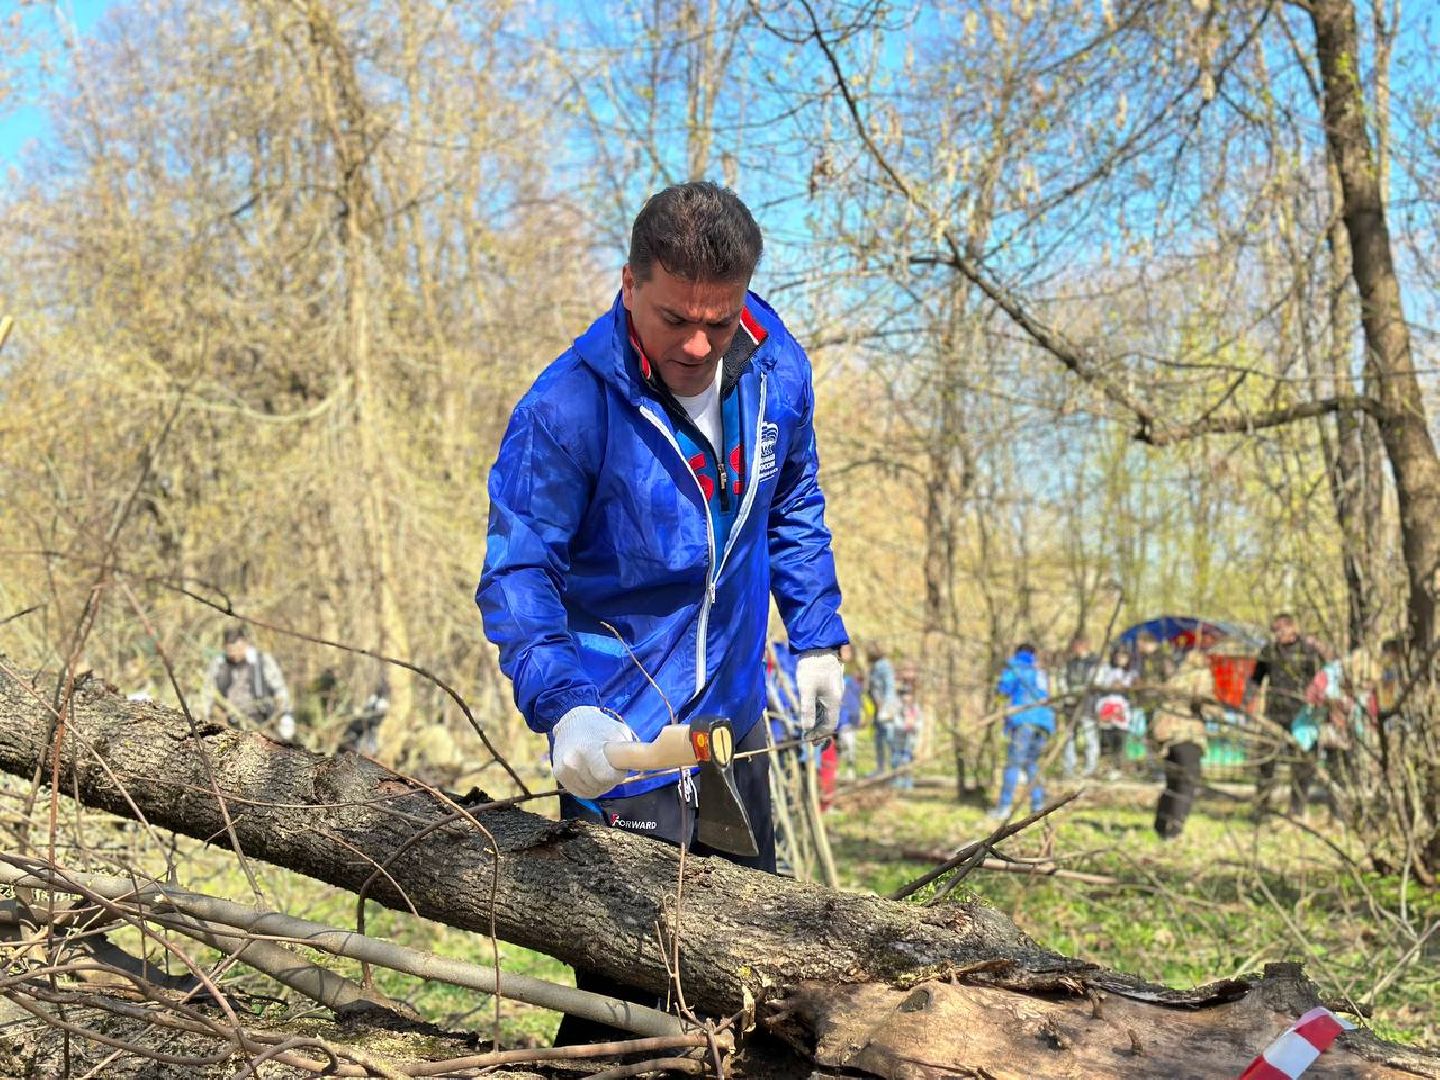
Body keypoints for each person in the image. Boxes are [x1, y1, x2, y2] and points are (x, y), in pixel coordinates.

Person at [476, 182, 848, 1044]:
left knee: (752, 989)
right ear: (628, 284)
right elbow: (519, 571)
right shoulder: (566, 409)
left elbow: (794, 500)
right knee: (631, 1013)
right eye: (675, 318)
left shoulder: (776, 370)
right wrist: (565, 706)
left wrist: (818, 637)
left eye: (719, 320)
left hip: (733, 733)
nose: (698, 344)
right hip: (622, 742)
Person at [1245, 613, 1322, 817]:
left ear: (1292, 628)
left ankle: (1297, 809)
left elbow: (1320, 681)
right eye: (1274, 630)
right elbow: (1256, 679)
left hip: (1302, 717)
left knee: (1302, 764)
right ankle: (1262, 806)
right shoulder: (1269, 651)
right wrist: (1247, 702)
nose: (1277, 634)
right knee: (1266, 761)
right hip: (1274, 715)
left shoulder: (1308, 651)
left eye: (1280, 629)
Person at [1151, 648, 1216, 839]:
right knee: (1187, 783)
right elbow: (1201, 700)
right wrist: (1214, 709)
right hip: (1187, 733)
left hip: (1166, 733)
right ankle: (1175, 829)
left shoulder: (1174, 676)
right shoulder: (1200, 674)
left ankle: (1161, 825)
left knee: (1172, 782)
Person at [990, 643, 1055, 818]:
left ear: (1017, 652)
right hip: (1045, 722)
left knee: (1014, 764)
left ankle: (1004, 807)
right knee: (1031, 764)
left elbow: (1004, 690)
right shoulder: (1040, 671)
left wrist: (999, 699)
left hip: (1024, 719)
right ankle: (1037, 805)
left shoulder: (1015, 666)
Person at [200, 623, 294, 742]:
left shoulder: (262, 661)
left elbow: (280, 689)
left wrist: (286, 715)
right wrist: (204, 716)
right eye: (230, 650)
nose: (234, 653)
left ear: (245, 643)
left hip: (261, 720)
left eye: (237, 648)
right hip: (228, 723)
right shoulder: (218, 664)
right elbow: (207, 693)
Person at [1060, 633, 1100, 779]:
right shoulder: (1069, 663)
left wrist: (1083, 692)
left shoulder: (1094, 662)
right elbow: (1062, 680)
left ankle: (1091, 767)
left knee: (1090, 735)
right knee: (1069, 736)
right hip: (1070, 703)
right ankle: (1069, 767)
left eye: (1078, 645)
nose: (1075, 648)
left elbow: (1096, 680)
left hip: (1088, 704)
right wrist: (1067, 694)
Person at [1094, 647, 1135, 776]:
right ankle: (1106, 767)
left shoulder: (1131, 673)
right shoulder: (1105, 670)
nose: (1120, 659)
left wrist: (1123, 687)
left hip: (1122, 708)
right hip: (1106, 705)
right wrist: (1109, 686)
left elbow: (1133, 687)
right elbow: (1096, 684)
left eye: (1123, 656)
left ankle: (1118, 768)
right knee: (1106, 739)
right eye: (1118, 656)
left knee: (1120, 739)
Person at [866, 643, 899, 776]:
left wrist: (887, 709)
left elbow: (890, 688)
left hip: (885, 711)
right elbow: (873, 690)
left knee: (890, 739)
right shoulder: (874, 668)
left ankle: (896, 770)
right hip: (877, 709)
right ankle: (880, 769)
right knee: (879, 740)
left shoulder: (884, 666)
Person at [836, 643, 863, 780]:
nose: (845, 653)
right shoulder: (835, 668)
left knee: (849, 741)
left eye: (848, 650)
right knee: (841, 741)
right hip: (840, 712)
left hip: (852, 711)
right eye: (843, 650)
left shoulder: (856, 671)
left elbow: (860, 693)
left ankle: (850, 769)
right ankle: (838, 768)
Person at [890, 682, 925, 790]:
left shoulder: (915, 708)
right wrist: (905, 726)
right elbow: (896, 722)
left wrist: (914, 725)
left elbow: (920, 722)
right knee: (896, 761)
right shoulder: (897, 707)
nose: (906, 697)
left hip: (910, 741)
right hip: (898, 741)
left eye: (908, 694)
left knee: (907, 761)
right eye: (904, 694)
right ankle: (897, 782)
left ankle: (908, 783)